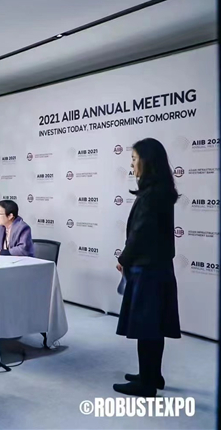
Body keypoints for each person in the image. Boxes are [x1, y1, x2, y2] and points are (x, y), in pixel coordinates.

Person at [114, 138, 180, 397]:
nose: (131, 164)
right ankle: (152, 375)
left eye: (134, 159)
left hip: (148, 270)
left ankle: (147, 384)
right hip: (158, 268)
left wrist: (123, 259)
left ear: (147, 161)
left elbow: (139, 234)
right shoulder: (160, 191)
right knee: (154, 326)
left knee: (146, 326)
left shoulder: (152, 195)